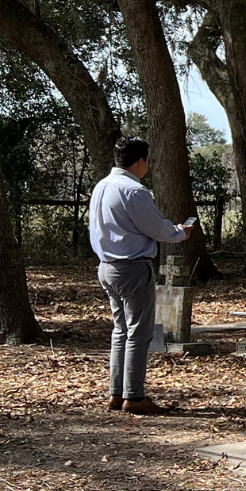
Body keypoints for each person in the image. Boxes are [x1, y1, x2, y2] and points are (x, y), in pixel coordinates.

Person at [88, 138, 194, 415]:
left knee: (120, 330)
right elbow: (156, 228)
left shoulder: (102, 186)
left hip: (107, 265)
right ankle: (134, 396)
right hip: (132, 266)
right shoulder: (133, 191)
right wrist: (180, 232)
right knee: (138, 332)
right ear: (140, 161)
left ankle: (116, 392)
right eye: (147, 161)